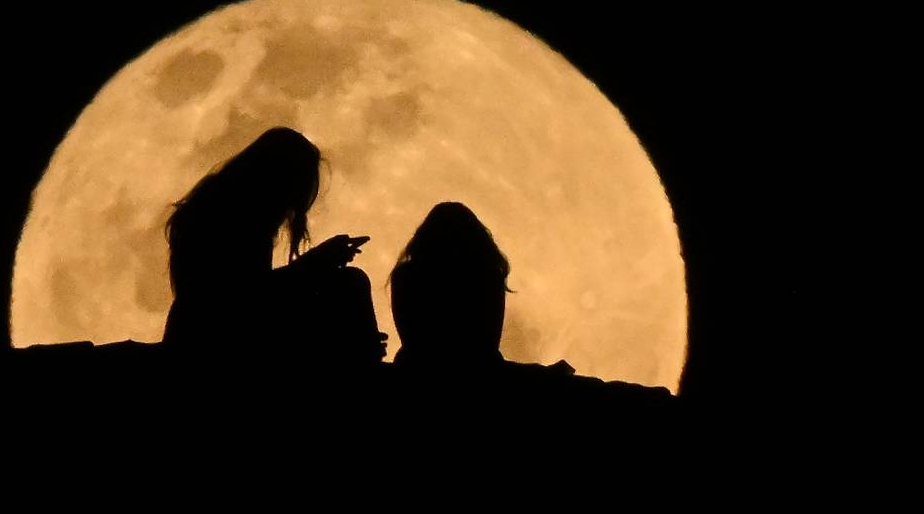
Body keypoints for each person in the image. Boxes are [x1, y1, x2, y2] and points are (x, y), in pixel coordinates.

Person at [388, 201, 674, 415]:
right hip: (482, 380)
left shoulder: (406, 276)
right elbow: (486, 343)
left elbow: (413, 338)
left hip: (418, 376)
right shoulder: (485, 273)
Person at [162, 127, 387, 378]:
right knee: (348, 284)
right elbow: (240, 299)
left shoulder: (224, 204)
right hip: (212, 338)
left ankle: (363, 354)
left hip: (222, 329)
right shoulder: (229, 215)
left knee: (345, 285)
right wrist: (314, 264)